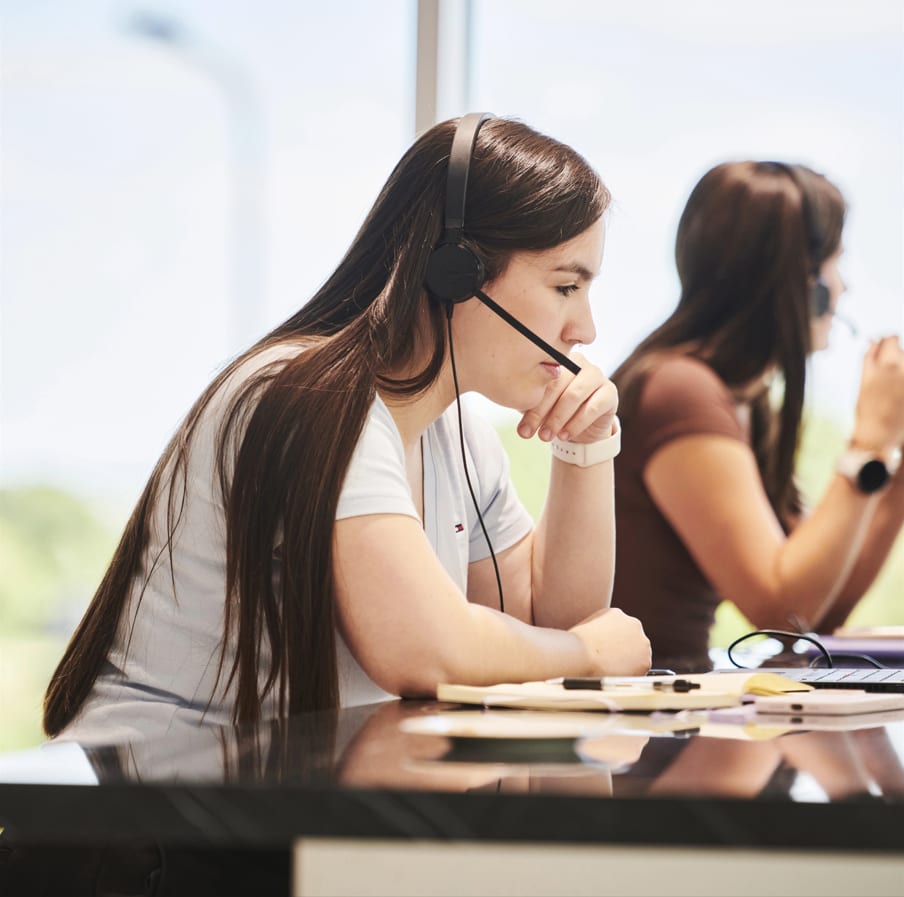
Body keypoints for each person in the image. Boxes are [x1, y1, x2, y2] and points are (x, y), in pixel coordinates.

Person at [43, 114, 651, 742]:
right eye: (565, 286)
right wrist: (589, 657)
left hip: (268, 791)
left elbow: (549, 618)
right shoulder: (311, 396)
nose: (586, 329)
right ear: (457, 271)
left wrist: (587, 448)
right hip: (153, 805)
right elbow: (422, 648)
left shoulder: (458, 433)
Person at [610, 160, 904, 673]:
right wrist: (869, 443)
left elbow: (816, 609)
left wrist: (893, 471)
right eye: (836, 261)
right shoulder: (680, 391)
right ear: (801, 282)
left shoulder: (740, 400)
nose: (846, 288)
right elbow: (781, 611)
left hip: (674, 704)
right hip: (642, 724)